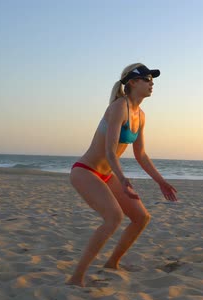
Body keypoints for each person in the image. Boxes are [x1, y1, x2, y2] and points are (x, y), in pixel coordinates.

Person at [67, 63, 178, 287]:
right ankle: (76, 277)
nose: (151, 83)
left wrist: (161, 182)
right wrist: (123, 178)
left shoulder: (141, 115)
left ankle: (112, 263)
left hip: (107, 174)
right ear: (132, 82)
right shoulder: (119, 106)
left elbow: (142, 155)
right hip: (86, 171)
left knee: (141, 218)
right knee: (114, 218)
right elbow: (109, 151)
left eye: (152, 79)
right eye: (147, 79)